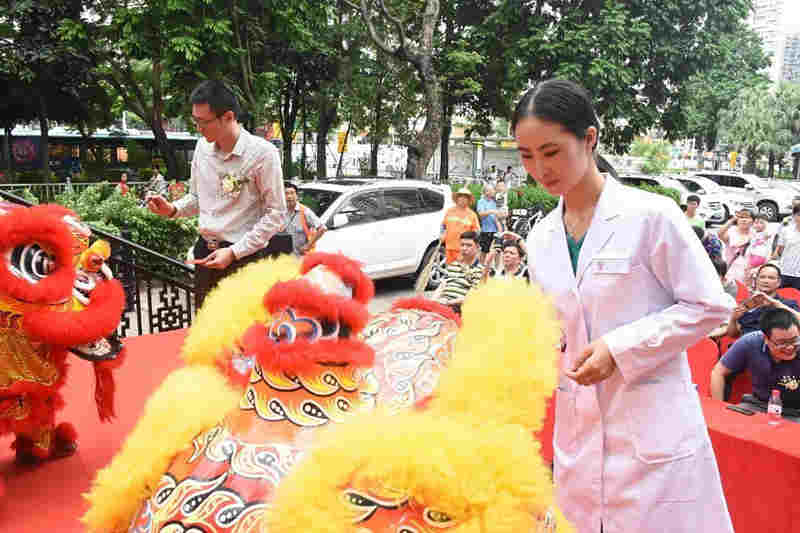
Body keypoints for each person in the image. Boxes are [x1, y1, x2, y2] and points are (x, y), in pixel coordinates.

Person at [514, 79, 733, 533]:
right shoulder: (541, 238)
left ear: (589, 138)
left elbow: (711, 306)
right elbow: (554, 328)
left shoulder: (651, 216)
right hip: (577, 429)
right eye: (526, 156)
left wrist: (620, 348)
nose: (540, 169)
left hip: (651, 431)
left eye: (551, 152)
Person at [147, 80, 287, 307]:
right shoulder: (202, 148)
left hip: (243, 258)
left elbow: (276, 213)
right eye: (195, 121)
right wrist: (172, 209)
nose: (198, 128)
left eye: (204, 122)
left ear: (228, 117)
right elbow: (197, 198)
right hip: (205, 252)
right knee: (206, 323)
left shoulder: (263, 154)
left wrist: (234, 252)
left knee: (240, 326)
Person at [711, 307, 800, 409]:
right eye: (782, 343)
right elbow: (718, 372)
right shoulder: (750, 342)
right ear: (766, 339)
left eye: (794, 340)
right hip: (759, 404)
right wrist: (718, 408)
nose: (790, 347)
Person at [724, 263, 800, 338]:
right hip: (748, 342)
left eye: (771, 278)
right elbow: (733, 335)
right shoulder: (746, 304)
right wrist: (733, 319)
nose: (766, 281)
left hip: (775, 343)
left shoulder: (786, 304)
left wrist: (775, 304)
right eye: (762, 277)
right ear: (756, 280)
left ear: (779, 282)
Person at [432, 231, 484, 314]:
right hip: (443, 304)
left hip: (459, 308)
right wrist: (433, 301)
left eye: (469, 245)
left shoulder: (480, 270)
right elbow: (442, 286)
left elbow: (472, 297)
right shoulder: (453, 265)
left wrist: (448, 303)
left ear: (477, 247)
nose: (464, 248)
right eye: (462, 245)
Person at [282, 182, 325, 256]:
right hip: (284, 256)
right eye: (286, 193)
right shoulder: (280, 212)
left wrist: (308, 246)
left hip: (301, 257)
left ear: (297, 196)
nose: (289, 196)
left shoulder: (305, 211)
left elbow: (322, 228)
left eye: (292, 193)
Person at [440, 187, 479, 264]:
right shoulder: (449, 211)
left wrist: (471, 247)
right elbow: (443, 225)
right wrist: (441, 235)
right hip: (449, 248)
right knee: (450, 269)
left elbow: (476, 232)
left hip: (463, 250)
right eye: (461, 197)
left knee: (461, 269)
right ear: (457, 198)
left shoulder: (472, 215)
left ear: (468, 200)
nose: (463, 199)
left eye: (465, 197)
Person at [718, 209, 754, 286]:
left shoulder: (755, 234)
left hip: (748, 274)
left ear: (752, 221)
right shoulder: (731, 232)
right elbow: (720, 234)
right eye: (741, 217)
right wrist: (732, 220)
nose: (744, 220)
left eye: (747, 217)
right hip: (731, 272)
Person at [773, 204, 800, 290]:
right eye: (799, 215)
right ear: (794, 216)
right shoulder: (786, 230)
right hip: (784, 271)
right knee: (780, 295)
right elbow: (780, 249)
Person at [476, 184, 501, 257]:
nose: (492, 192)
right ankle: (482, 264)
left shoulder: (494, 202)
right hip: (486, 230)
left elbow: (498, 215)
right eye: (490, 190)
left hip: (496, 230)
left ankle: (497, 265)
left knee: (497, 251)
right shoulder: (481, 202)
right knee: (484, 251)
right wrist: (491, 211)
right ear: (485, 192)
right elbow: (480, 214)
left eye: (492, 190)